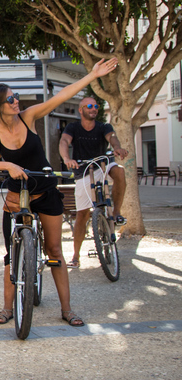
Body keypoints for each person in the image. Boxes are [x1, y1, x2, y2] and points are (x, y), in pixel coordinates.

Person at [0, 57, 119, 328]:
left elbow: (61, 96)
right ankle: (8, 308)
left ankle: (67, 309)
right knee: (10, 253)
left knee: (55, 250)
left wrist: (92, 75)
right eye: (10, 99)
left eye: (16, 96)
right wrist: (7, 164)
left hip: (45, 190)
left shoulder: (28, 117)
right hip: (17, 195)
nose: (16, 101)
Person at [59, 97, 128, 268]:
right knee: (82, 215)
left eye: (96, 106)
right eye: (89, 106)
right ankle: (75, 256)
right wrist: (67, 158)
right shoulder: (73, 127)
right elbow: (64, 141)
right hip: (83, 170)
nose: (94, 109)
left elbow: (112, 138)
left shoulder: (104, 127)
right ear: (81, 109)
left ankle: (116, 213)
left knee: (119, 170)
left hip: (102, 165)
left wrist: (117, 148)